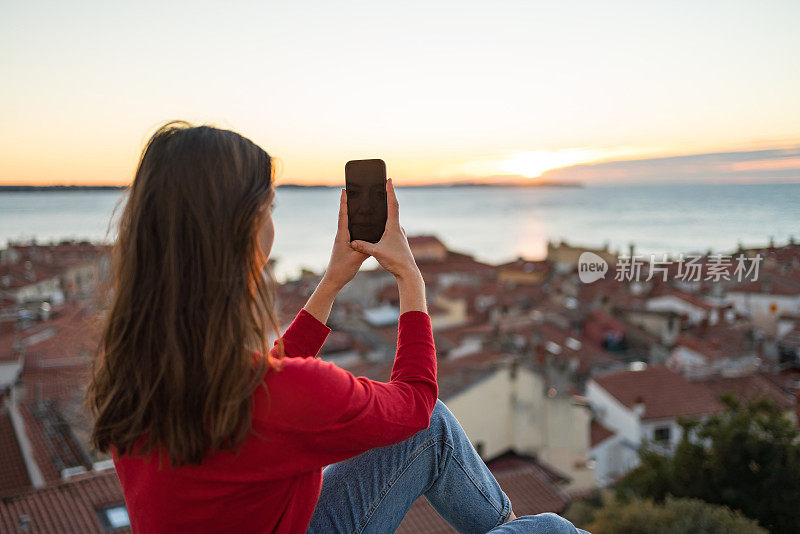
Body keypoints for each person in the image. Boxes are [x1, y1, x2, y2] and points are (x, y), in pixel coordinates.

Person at [85, 120, 589, 533]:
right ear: (242, 231)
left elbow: (253, 385)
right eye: (269, 209)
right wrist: (409, 278)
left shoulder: (133, 370)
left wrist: (331, 282)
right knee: (553, 530)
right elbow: (413, 401)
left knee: (434, 430)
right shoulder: (287, 398)